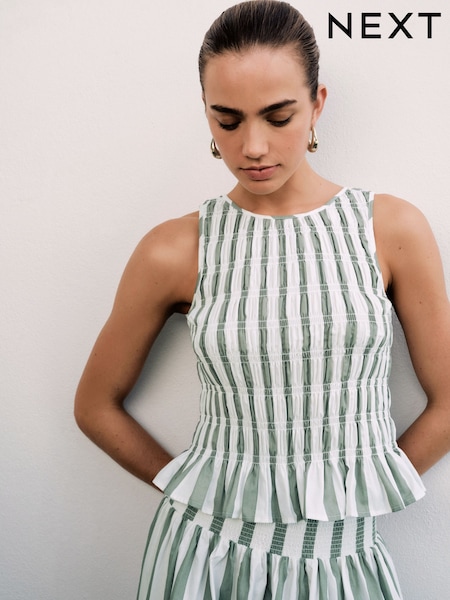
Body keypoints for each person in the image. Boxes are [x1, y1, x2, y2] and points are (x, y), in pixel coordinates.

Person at [74, 1, 450, 598]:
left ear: (317, 104)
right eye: (227, 120)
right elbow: (95, 404)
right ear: (205, 112)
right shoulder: (175, 249)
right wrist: (188, 489)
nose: (252, 146)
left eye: (279, 116)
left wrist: (369, 490)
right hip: (205, 555)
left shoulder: (390, 228)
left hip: (343, 558)